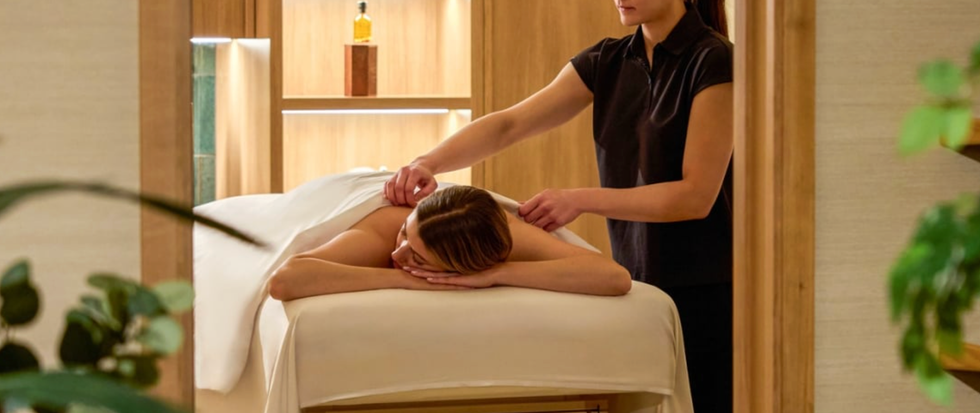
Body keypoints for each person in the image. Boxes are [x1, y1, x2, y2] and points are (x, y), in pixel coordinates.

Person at [383, 1, 733, 412]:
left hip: (709, 284)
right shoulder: (608, 60)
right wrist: (428, 162)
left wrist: (578, 199)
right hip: (638, 279)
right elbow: (510, 124)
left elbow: (695, 196)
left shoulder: (715, 59)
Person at [268, 185, 632, 301]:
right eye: (406, 237)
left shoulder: (506, 238)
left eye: (420, 258)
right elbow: (286, 280)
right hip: (333, 195)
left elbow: (614, 277)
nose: (397, 254)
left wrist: (498, 274)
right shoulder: (386, 228)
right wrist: (408, 277)